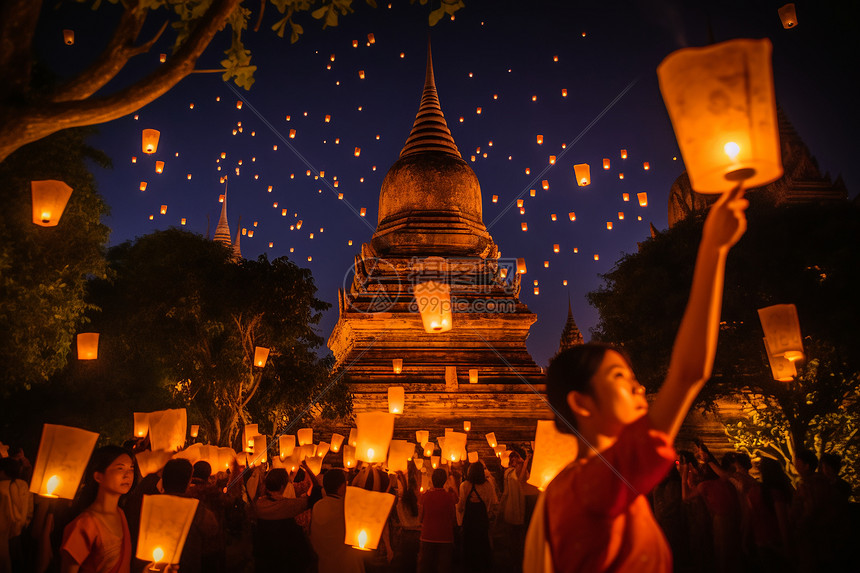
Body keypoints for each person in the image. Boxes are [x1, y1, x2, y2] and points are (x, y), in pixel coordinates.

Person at [529, 184, 749, 572]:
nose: (639, 386)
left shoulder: (569, 484)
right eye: (619, 376)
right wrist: (713, 251)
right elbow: (687, 374)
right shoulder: (599, 479)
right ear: (582, 403)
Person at [60, 445, 136, 573]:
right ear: (98, 477)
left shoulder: (121, 514)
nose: (128, 475)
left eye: (131, 469)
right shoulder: (84, 524)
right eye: (120, 468)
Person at [253, 465, 320, 573]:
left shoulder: (259, 505)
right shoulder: (288, 506)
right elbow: (316, 494)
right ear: (282, 487)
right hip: (286, 558)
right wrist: (308, 468)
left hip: (265, 556)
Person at [310, 469, 364, 573]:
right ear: (342, 487)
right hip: (348, 564)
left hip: (325, 564)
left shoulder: (318, 506)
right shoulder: (346, 507)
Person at [457, 461, 498, 572]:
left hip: (469, 523)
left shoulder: (464, 486)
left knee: (469, 547)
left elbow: (461, 506)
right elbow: (491, 503)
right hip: (482, 522)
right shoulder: (488, 486)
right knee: (482, 546)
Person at [417, 468, 457, 573]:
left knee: (425, 567)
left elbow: (420, 517)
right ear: (445, 481)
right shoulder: (449, 497)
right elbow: (453, 517)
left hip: (427, 536)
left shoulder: (425, 496)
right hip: (445, 537)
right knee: (443, 567)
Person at [0, 456, 33, 573]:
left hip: (4, 537)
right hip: (19, 535)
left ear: (3, 471)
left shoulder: (1, 488)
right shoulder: (24, 485)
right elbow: (30, 511)